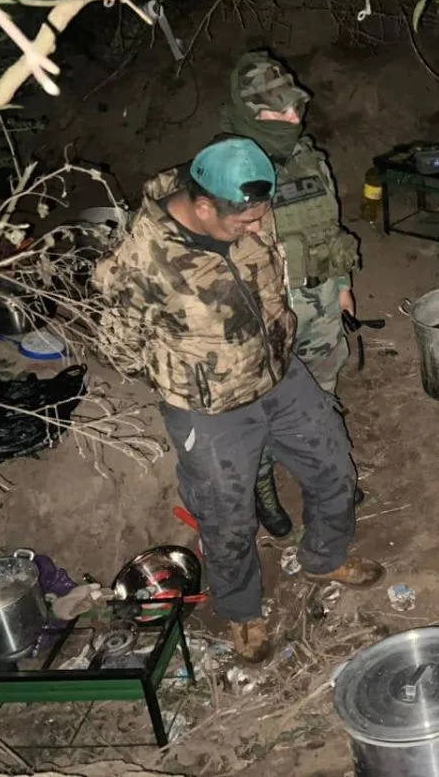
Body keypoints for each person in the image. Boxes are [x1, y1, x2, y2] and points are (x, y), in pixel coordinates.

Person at [94, 136, 383, 664]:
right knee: (226, 517)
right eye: (245, 221)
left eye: (260, 216)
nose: (258, 227)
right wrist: (191, 376)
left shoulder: (248, 212)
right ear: (204, 207)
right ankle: (243, 612)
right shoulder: (141, 262)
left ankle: (324, 557)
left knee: (334, 469)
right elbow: (119, 348)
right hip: (210, 410)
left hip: (281, 376)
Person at [219, 51, 362, 539]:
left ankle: (326, 473)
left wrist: (342, 288)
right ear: (248, 113)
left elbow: (329, 227)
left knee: (322, 391)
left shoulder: (307, 157)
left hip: (318, 302)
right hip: (262, 315)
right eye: (277, 111)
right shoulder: (221, 172)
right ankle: (262, 484)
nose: (293, 119)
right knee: (260, 405)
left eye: (294, 108)